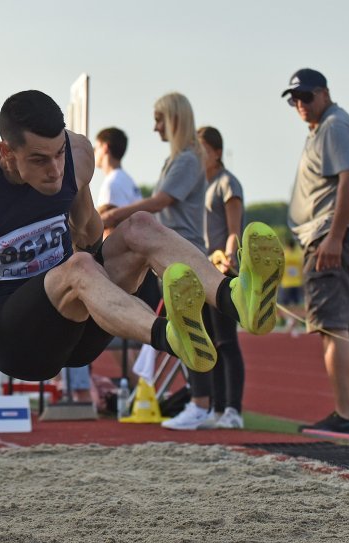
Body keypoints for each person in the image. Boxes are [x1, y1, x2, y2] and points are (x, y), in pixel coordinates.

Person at [0, 90, 284, 417]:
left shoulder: (75, 159)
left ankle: (232, 298)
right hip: (15, 340)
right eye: (39, 160)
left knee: (139, 226)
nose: (54, 169)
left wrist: (96, 228)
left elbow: (90, 233)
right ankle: (173, 338)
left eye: (59, 154)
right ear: (7, 153)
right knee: (77, 267)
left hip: (78, 326)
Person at [283, 68, 349, 436]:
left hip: (334, 238)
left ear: (324, 94)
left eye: (306, 96)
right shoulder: (328, 127)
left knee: (334, 329)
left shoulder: (333, 126)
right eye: (293, 99)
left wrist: (333, 238)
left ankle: (346, 415)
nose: (299, 104)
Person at [101, 92, 211, 430]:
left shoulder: (188, 159)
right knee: (192, 330)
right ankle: (206, 403)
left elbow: (161, 200)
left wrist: (115, 215)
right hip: (176, 254)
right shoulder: (179, 159)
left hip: (184, 253)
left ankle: (201, 404)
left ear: (175, 119)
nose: (154, 127)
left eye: (159, 119)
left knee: (192, 330)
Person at [93, 126, 158, 386]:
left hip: (128, 267)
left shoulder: (113, 184)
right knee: (133, 334)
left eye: (96, 147)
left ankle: (139, 392)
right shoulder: (127, 180)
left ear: (105, 147)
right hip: (141, 266)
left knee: (125, 331)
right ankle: (140, 390)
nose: (94, 152)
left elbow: (112, 230)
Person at [196, 126, 246, 429]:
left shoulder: (228, 184)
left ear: (216, 151)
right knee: (210, 343)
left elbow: (234, 230)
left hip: (222, 272)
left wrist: (228, 260)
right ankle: (215, 408)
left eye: (201, 150)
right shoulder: (199, 186)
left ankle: (233, 410)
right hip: (201, 270)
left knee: (226, 341)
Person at [279, 237, 304, 337]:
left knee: (283, 307)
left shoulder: (285, 254)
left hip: (286, 284)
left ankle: (290, 321)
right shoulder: (299, 255)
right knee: (296, 307)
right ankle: (294, 328)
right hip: (297, 283)